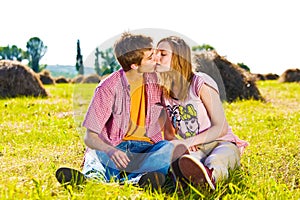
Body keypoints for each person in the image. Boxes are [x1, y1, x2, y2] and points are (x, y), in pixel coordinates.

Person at [56, 32, 174, 190]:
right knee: (95, 151)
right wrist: (110, 150)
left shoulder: (158, 81)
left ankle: (136, 180)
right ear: (134, 65)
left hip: (147, 149)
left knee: (168, 148)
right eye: (150, 57)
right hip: (115, 147)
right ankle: (91, 180)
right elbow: (89, 136)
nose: (156, 59)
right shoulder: (108, 87)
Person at [154, 36, 249, 190]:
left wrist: (189, 141)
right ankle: (186, 176)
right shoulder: (163, 93)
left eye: (163, 54)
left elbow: (221, 128)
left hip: (221, 142)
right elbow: (169, 135)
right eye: (155, 53)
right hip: (194, 149)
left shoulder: (200, 82)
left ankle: (210, 178)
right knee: (189, 161)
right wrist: (180, 145)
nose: (156, 57)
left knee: (217, 160)